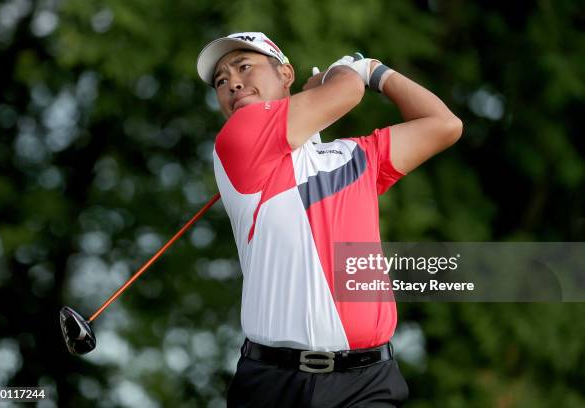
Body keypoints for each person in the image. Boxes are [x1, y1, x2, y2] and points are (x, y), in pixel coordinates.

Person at [196, 32, 462, 407]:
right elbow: (347, 93)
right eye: (221, 81)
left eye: (244, 67)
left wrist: (377, 71)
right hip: (275, 385)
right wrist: (349, 70)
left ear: (286, 74)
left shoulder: (354, 157)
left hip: (368, 383)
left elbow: (444, 124)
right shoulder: (238, 137)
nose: (233, 82)